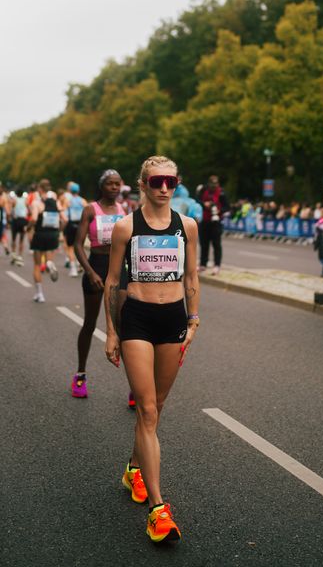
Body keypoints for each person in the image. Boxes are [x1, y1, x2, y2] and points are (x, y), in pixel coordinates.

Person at [104, 156, 199, 543]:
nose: (164, 187)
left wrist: (193, 319)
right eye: (156, 181)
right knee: (145, 408)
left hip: (174, 318)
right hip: (138, 319)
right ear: (142, 185)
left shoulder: (187, 226)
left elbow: (191, 275)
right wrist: (111, 331)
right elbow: (113, 281)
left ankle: (132, 468)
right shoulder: (126, 227)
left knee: (156, 408)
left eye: (170, 181)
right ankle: (158, 510)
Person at [72, 169, 127, 398]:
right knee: (90, 323)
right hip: (96, 266)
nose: (114, 188)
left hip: (119, 269)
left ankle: (135, 386)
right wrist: (90, 272)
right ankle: (80, 375)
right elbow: (77, 245)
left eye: (117, 184)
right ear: (102, 186)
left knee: (125, 326)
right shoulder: (90, 210)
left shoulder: (125, 210)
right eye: (110, 184)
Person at [29, 179, 61, 302]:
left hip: (40, 234)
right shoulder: (56, 202)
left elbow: (34, 219)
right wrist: (59, 231)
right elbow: (63, 218)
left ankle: (40, 294)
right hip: (53, 234)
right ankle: (49, 263)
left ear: (40, 190)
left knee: (37, 265)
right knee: (49, 258)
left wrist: (28, 228)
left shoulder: (37, 203)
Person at [196, 175, 229, 275]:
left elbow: (227, 207)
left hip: (216, 221)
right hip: (204, 220)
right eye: (212, 184)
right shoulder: (203, 190)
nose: (213, 186)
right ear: (208, 184)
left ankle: (217, 265)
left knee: (216, 244)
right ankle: (203, 264)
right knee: (203, 244)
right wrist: (204, 204)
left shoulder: (222, 193)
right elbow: (197, 201)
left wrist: (219, 210)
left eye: (215, 184)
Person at [64, 183, 87, 277]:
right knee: (80, 246)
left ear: (70, 191)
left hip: (71, 224)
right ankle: (80, 263)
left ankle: (73, 268)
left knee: (70, 247)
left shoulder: (68, 201)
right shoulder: (83, 201)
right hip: (81, 225)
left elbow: (65, 215)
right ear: (78, 191)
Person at [10, 186, 28, 266]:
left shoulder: (14, 200)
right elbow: (29, 209)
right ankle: (20, 256)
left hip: (16, 220)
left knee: (14, 238)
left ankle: (14, 254)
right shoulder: (25, 201)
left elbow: (11, 210)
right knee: (21, 239)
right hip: (23, 220)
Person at [313, 206, 323, 276]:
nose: (322, 213)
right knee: (321, 257)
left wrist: (318, 226)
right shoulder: (321, 220)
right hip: (320, 240)